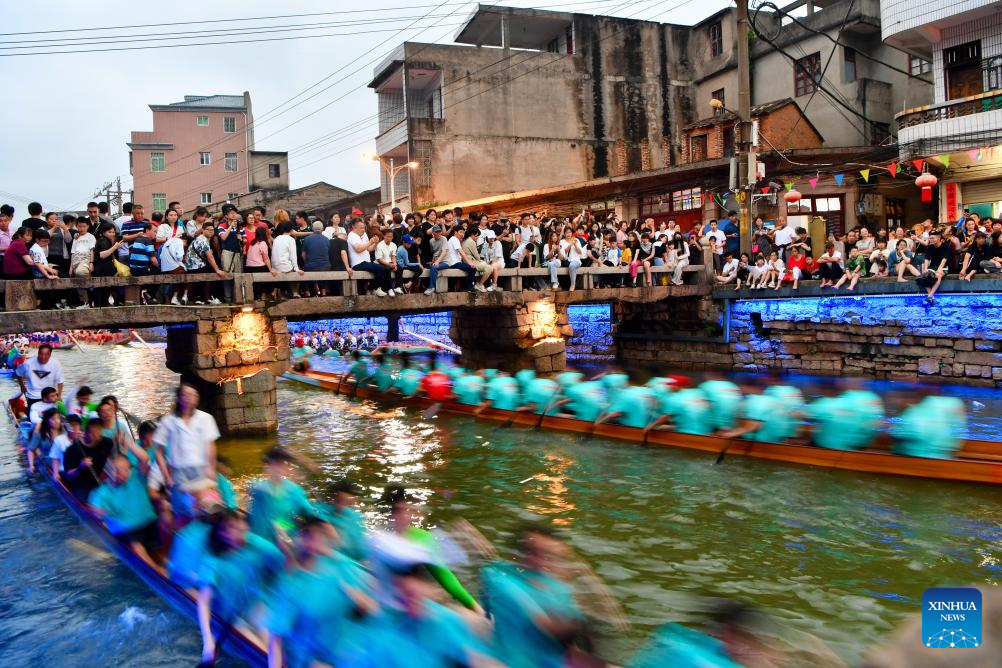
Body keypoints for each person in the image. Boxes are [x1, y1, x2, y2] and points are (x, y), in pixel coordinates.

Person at [264, 515, 376, 668]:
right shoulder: (292, 584)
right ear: (299, 538)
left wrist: (362, 603)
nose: (315, 539)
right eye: (308, 534)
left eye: (320, 535)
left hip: (347, 654)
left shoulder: (339, 566)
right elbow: (276, 638)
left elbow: (372, 605)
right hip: (313, 661)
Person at [481, 524, 586, 668]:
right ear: (517, 555)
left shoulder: (557, 586)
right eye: (532, 553)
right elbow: (548, 626)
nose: (540, 563)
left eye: (548, 556)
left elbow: (574, 641)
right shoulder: (503, 583)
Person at [195, 509, 285, 665]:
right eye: (235, 526)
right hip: (231, 617)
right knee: (262, 651)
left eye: (242, 522)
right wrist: (208, 639)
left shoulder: (254, 543)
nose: (243, 527)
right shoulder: (213, 562)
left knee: (275, 650)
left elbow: (283, 564)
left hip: (256, 605)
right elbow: (204, 602)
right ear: (223, 534)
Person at [153, 384, 222, 520]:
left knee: (207, 507)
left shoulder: (206, 418)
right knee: (182, 509)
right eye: (187, 395)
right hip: (178, 472)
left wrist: (211, 468)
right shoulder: (168, 422)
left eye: (194, 395)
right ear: (179, 398)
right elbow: (158, 451)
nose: (191, 398)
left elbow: (211, 446)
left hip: (201, 469)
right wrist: (166, 475)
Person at [88, 455, 160, 568]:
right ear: (110, 471)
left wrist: (129, 444)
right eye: (117, 470)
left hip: (149, 523)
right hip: (128, 532)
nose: (122, 473)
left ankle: (163, 565)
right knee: (136, 545)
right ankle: (158, 572)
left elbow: (145, 458)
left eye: (125, 470)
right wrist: (98, 512)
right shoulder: (101, 493)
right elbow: (95, 509)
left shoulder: (137, 476)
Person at [248, 446, 315, 545]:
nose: (278, 467)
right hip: (262, 542)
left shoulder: (293, 490)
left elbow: (309, 513)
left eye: (281, 464)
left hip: (279, 543)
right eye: (276, 464)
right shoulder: (259, 488)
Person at [61, 418, 115, 502]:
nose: (97, 438)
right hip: (81, 487)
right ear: (86, 433)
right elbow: (68, 476)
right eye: (93, 434)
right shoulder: (72, 449)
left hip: (101, 484)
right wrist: (80, 467)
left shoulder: (107, 442)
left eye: (99, 433)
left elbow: (114, 459)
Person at [347, 218, 391, 297]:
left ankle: (377, 288)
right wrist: (370, 242)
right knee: (381, 268)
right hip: (358, 263)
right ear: (354, 227)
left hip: (367, 262)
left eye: (364, 228)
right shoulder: (351, 236)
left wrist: (375, 243)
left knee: (386, 268)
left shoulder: (364, 235)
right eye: (361, 228)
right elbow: (358, 249)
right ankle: (375, 288)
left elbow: (369, 249)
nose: (363, 230)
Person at [16, 342, 64, 409]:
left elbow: (60, 381)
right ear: (38, 353)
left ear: (50, 355)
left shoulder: (55, 363)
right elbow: (18, 373)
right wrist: (22, 386)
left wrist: (59, 395)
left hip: (50, 396)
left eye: (46, 355)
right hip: (33, 396)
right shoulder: (28, 363)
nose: (43, 357)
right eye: (41, 354)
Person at [919, 230, 951, 304]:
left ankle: (930, 296)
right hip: (932, 266)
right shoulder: (929, 247)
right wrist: (925, 268)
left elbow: (945, 258)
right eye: (930, 238)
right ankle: (931, 296)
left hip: (944, 266)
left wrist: (940, 268)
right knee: (924, 276)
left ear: (939, 238)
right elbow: (927, 258)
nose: (931, 240)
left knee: (938, 275)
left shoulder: (946, 246)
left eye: (933, 238)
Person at [374, 227, 406, 296]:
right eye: (388, 236)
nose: (389, 238)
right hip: (381, 262)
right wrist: (389, 265)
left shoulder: (393, 245)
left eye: (391, 236)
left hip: (390, 262)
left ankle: (397, 287)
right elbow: (379, 259)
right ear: (384, 236)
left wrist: (394, 264)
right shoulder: (379, 245)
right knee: (387, 269)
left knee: (400, 268)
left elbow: (393, 256)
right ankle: (389, 288)